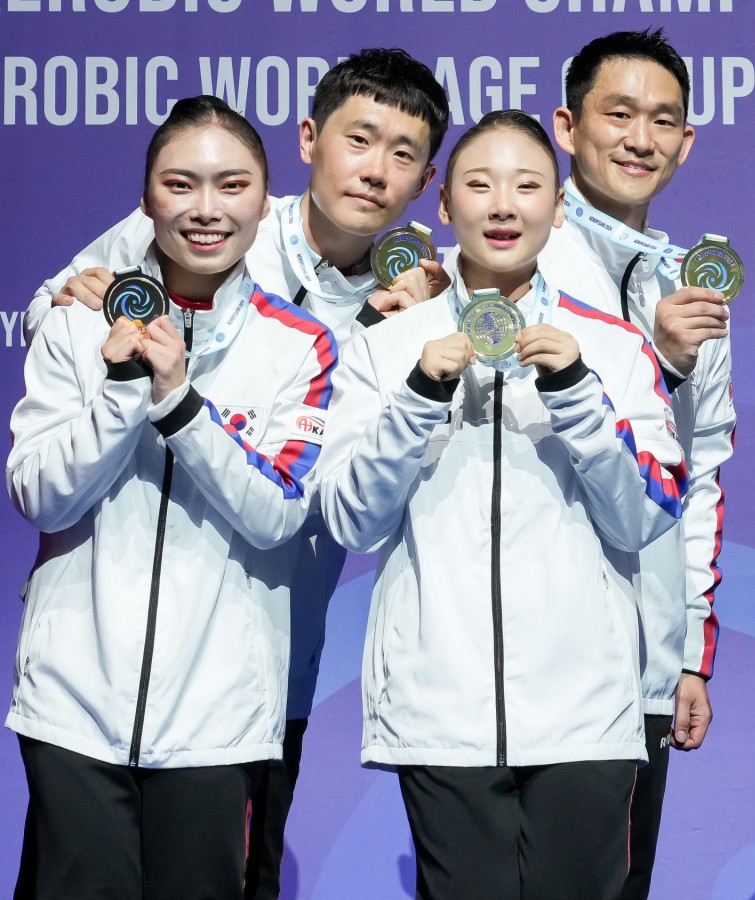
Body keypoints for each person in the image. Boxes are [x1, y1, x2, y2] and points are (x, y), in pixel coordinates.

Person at [23, 49, 452, 900]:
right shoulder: (216, 204)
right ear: (309, 140)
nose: (375, 170)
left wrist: (391, 343)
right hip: (95, 661)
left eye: (402, 153)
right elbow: (52, 312)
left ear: (425, 179)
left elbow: (350, 484)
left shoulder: (417, 294)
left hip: (259, 658)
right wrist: (86, 314)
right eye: (359, 139)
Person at [317, 109, 686, 900]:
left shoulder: (615, 347)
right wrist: (418, 398)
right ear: (444, 203)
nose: (504, 206)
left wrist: (578, 395)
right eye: (480, 185)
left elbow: (644, 518)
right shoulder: (385, 346)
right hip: (439, 709)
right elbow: (352, 520)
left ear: (558, 205)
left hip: (584, 712)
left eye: (528, 186)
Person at [6, 96, 338, 900]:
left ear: (265, 200)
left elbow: (277, 514)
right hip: (72, 704)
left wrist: (180, 404)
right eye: (180, 184)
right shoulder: (77, 325)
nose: (206, 209)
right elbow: (40, 496)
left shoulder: (300, 343)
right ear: (147, 199)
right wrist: (123, 389)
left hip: (219, 719)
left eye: (232, 186)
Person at [542, 29, 735, 897]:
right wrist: (654, 364)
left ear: (686, 143)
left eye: (662, 121)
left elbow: (701, 480)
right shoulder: (512, 265)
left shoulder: (693, 290)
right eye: (618, 114)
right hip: (524, 658)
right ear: (568, 127)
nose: (640, 139)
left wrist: (687, 653)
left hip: (643, 668)